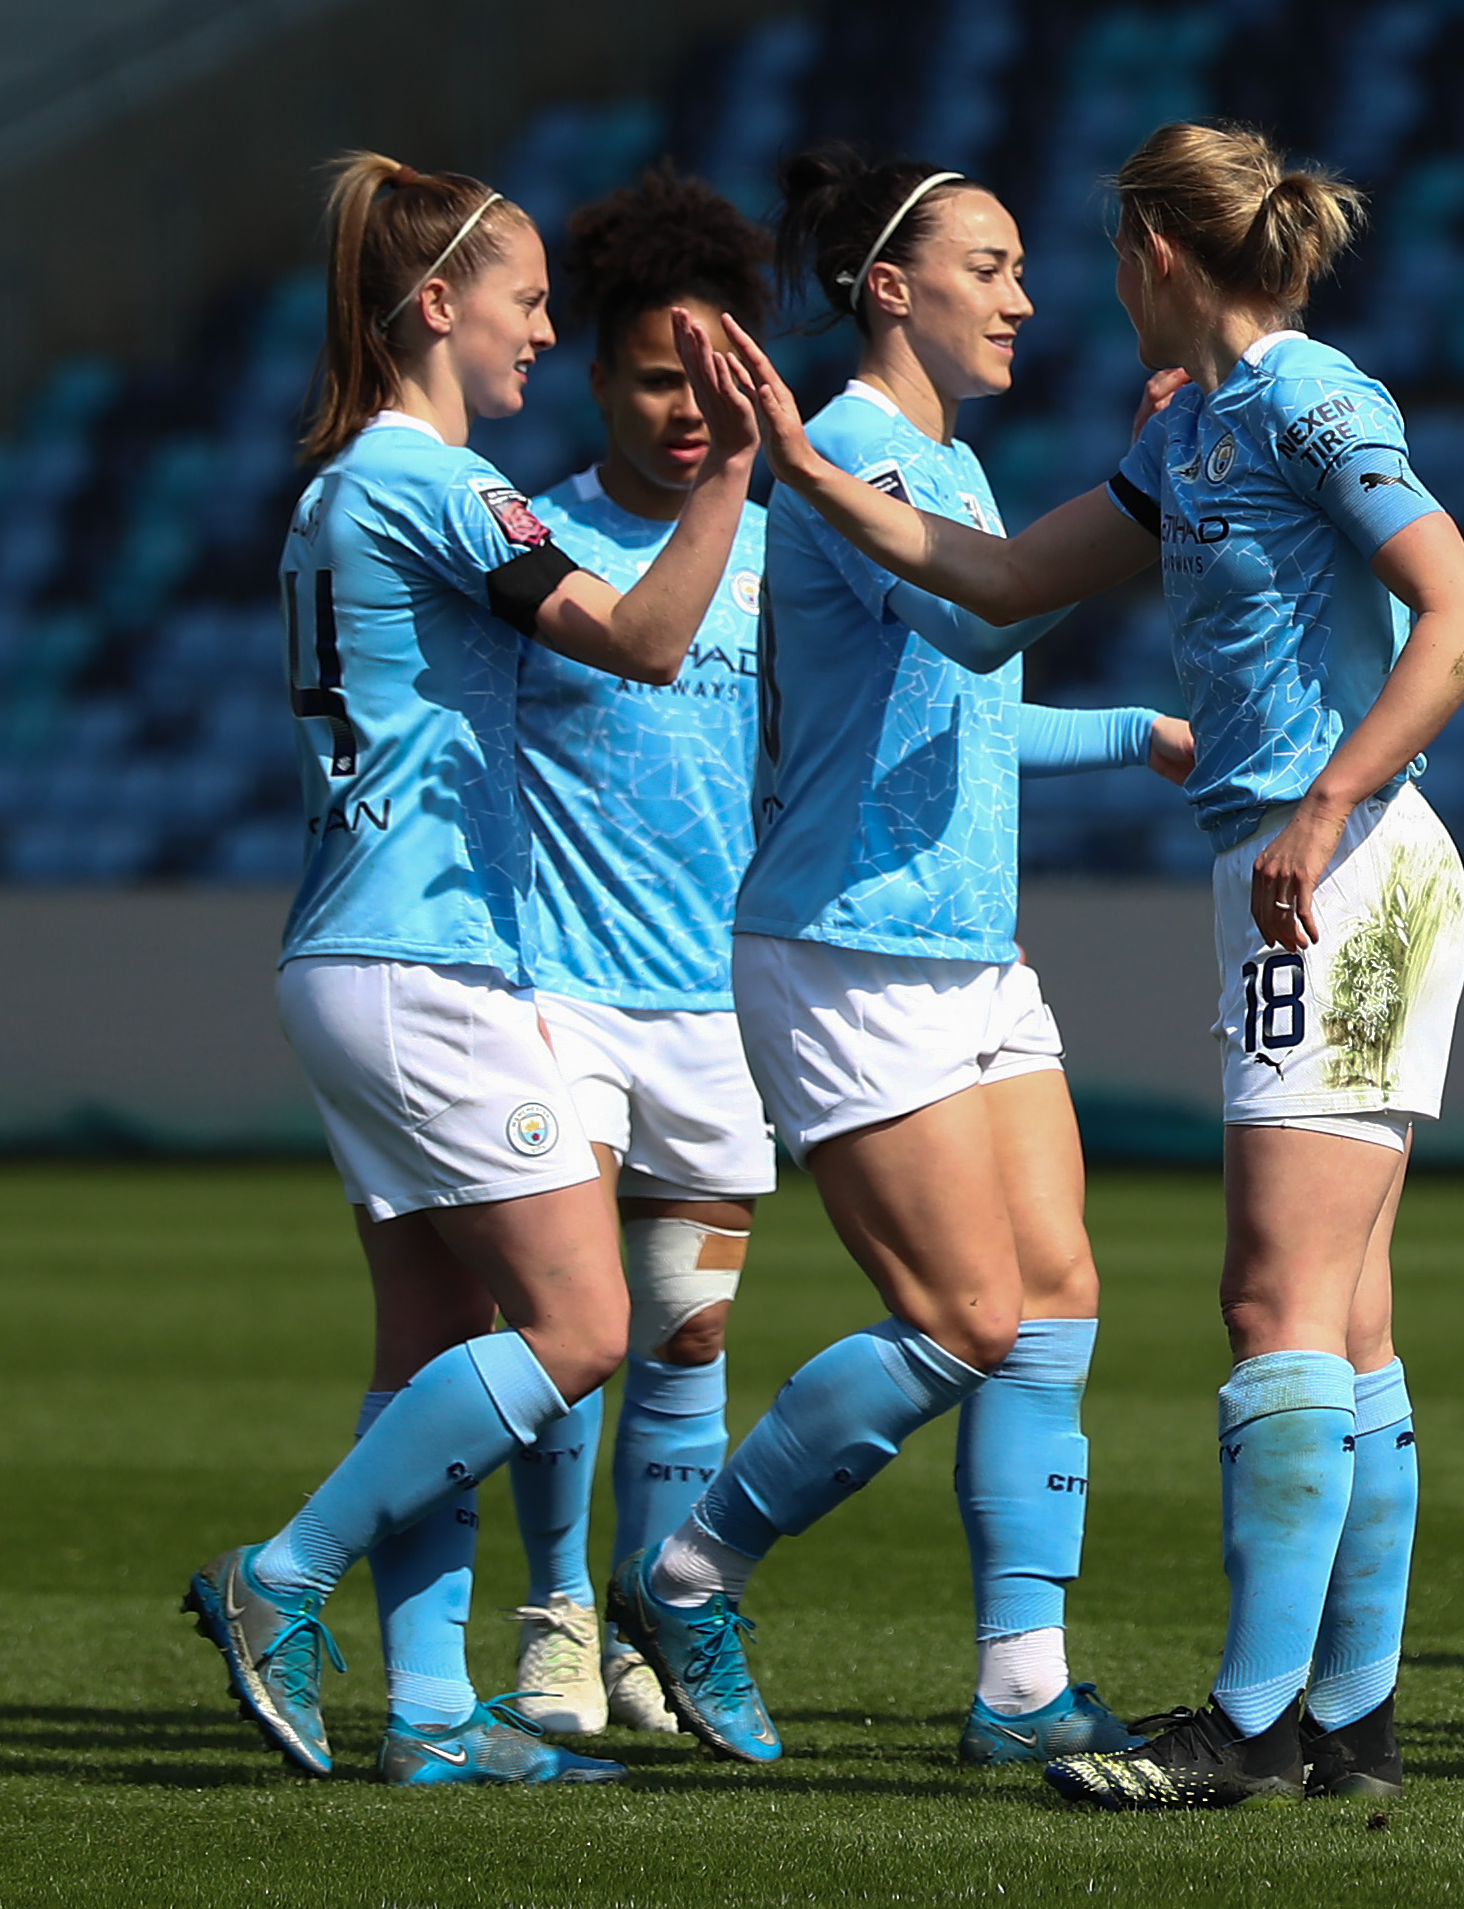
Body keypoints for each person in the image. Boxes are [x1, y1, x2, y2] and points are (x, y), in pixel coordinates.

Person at [715, 119, 1464, 1809]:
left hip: (1342, 876)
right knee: (1345, 1313)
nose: (1060, 293)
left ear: (1156, 250)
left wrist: (1323, 807)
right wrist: (810, 467)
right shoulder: (1203, 430)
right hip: (1308, 871)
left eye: (1085, 256)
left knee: (1271, 1299)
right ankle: (1346, 1722)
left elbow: (1462, 613)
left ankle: (1240, 1721)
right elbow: (994, 587)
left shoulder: (1308, 395)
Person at [601, 148, 1192, 1770]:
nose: (1021, 296)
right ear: (888, 287)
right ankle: (688, 1568)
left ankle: (1019, 1684)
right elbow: (983, 625)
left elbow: (974, 710)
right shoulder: (855, 450)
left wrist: (1140, 731)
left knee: (1058, 1296)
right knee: (966, 1315)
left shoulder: (947, 464)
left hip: (970, 956)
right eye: (986, 265)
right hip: (845, 948)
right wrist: (1135, 493)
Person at [180, 152, 757, 1784]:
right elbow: (645, 645)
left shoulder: (338, 487)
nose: (542, 333)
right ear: (438, 305)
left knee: (436, 1343)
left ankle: (432, 1712)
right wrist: (739, 466)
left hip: (355, 945)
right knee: (578, 1324)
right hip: (425, 958)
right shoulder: (432, 481)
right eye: (522, 300)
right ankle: (280, 1575)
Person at [494, 169, 780, 1738]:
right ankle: (545, 1613)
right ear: (600, 374)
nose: (685, 407)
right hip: (557, 993)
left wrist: (1132, 729)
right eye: (658, 376)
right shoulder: (530, 539)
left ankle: (640, 1622)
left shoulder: (776, 544)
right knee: (568, 1322)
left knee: (688, 1324)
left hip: (712, 997)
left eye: (711, 374)